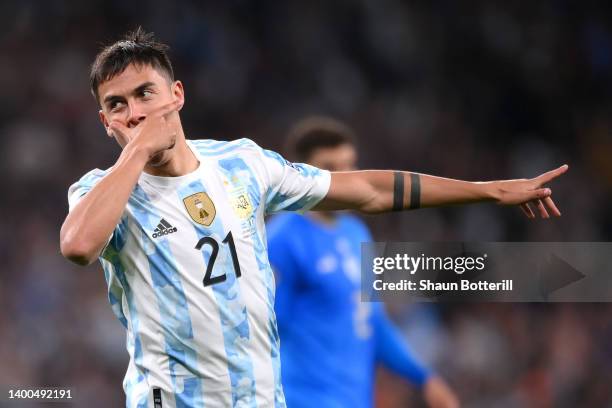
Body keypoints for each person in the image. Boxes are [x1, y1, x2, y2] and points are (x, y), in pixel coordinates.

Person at [59, 28, 567, 408]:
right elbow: (78, 246)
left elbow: (367, 190)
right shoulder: (98, 191)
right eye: (117, 105)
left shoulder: (242, 165)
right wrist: (137, 152)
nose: (135, 112)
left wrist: (486, 191)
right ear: (106, 122)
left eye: (145, 93)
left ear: (177, 95)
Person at [267, 117, 459, 408]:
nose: (345, 178)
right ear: (301, 173)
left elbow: (372, 322)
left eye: (350, 165)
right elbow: (265, 330)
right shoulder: (282, 239)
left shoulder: (356, 232)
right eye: (331, 168)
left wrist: (424, 377)